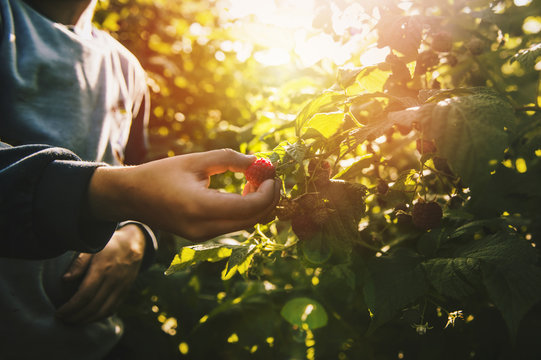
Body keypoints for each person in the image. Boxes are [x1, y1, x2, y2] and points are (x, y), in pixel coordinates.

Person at [0, 0, 279, 358]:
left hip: (92, 340)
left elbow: (136, 176)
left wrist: (138, 235)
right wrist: (110, 194)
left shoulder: (126, 68)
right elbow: (126, 188)